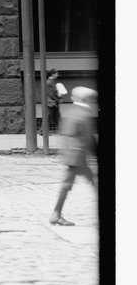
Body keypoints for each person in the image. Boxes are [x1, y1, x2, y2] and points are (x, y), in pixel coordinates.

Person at [50, 86, 98, 226]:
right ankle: (56, 214)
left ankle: (56, 214)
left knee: (67, 184)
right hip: (79, 156)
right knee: (94, 182)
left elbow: (64, 132)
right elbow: (88, 138)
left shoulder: (69, 112)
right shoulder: (85, 114)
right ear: (87, 99)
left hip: (70, 155)